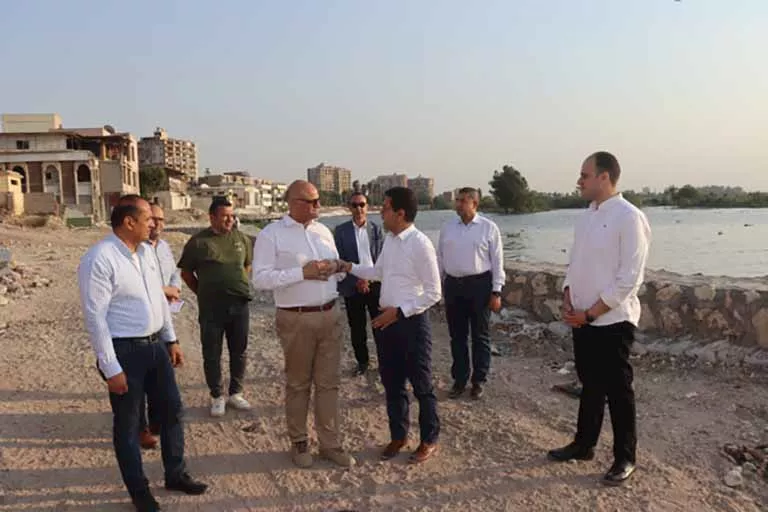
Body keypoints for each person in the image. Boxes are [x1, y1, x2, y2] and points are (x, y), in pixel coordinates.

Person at [78, 195, 207, 512]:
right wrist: (111, 368)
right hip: (125, 350)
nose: (154, 224)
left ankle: (175, 474)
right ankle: (139, 492)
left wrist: (171, 340)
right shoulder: (100, 258)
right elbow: (95, 317)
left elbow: (158, 300)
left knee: (172, 411)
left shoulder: (147, 252)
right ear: (128, 222)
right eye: (148, 218)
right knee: (129, 424)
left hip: (155, 346)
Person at [547, 151, 651, 487]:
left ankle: (625, 457)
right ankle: (584, 444)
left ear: (604, 177)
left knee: (619, 391)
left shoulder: (629, 217)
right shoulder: (586, 217)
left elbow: (630, 277)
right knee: (589, 384)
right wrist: (568, 295)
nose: (579, 181)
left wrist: (592, 312)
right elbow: (575, 263)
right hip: (582, 319)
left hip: (612, 321)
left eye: (585, 175)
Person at [251, 180, 355, 469]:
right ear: (294, 203)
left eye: (318, 200)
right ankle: (299, 442)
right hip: (296, 318)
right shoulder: (271, 234)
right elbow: (260, 279)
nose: (318, 206)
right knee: (298, 384)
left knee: (329, 384)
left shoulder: (323, 232)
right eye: (312, 201)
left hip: (330, 314)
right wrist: (302, 273)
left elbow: (337, 272)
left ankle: (330, 444)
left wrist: (336, 268)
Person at [339, 186, 442, 464]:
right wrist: (348, 266)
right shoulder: (391, 240)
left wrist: (399, 312)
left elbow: (434, 292)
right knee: (392, 383)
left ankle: (429, 439)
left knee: (422, 385)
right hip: (387, 323)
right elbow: (377, 272)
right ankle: (399, 435)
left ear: (400, 213)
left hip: (411, 323)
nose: (380, 212)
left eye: (384, 208)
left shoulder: (420, 244)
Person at [177, 198, 253, 417]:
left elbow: (246, 266)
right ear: (212, 217)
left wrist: (234, 284)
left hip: (239, 305)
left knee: (239, 350)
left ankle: (236, 393)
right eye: (225, 216)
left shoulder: (242, 239)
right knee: (212, 353)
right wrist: (203, 292)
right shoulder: (198, 242)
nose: (230, 220)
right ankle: (217, 396)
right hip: (211, 308)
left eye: (232, 215)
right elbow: (186, 273)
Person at [437, 187, 504, 400]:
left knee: (480, 336)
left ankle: (479, 381)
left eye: (462, 201)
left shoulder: (488, 228)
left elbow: (497, 261)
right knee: (457, 336)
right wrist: (437, 287)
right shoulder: (447, 228)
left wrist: (496, 291)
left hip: (479, 286)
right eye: (457, 200)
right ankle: (459, 380)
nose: (458, 204)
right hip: (453, 286)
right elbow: (440, 259)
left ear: (474, 203)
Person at [137, 203, 183, 449]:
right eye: (152, 218)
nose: (157, 224)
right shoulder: (136, 249)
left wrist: (175, 289)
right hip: (142, 321)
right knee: (140, 380)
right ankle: (141, 427)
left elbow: (174, 272)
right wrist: (164, 291)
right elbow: (138, 284)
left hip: (164, 317)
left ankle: (156, 421)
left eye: (161, 219)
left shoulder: (164, 247)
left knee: (161, 375)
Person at [333, 192, 384, 376]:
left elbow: (381, 258)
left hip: (374, 284)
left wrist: (368, 279)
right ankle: (362, 362)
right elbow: (339, 260)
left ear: (367, 207)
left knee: (380, 325)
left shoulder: (376, 229)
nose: (359, 209)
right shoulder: (341, 231)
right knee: (357, 327)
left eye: (362, 204)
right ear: (349, 207)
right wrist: (358, 280)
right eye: (354, 205)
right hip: (352, 285)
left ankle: (384, 361)